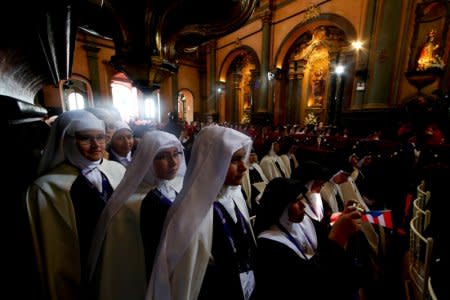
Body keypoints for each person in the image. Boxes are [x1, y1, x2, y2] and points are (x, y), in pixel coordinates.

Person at [146, 125, 256, 300]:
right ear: (213, 162)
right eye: (234, 160)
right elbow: (186, 278)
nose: (244, 167)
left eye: (243, 158)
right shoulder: (190, 211)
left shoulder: (235, 197)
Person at [26, 110, 126, 300]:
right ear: (67, 140)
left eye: (100, 137)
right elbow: (51, 250)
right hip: (80, 268)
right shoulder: (47, 187)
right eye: (86, 139)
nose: (96, 145)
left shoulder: (118, 170)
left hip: (118, 258)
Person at [87, 130, 186, 300]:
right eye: (162, 156)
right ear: (147, 161)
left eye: (176, 154)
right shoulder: (129, 205)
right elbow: (124, 258)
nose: (173, 162)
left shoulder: (178, 189)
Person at [253, 177, 362, 299]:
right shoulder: (268, 246)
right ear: (281, 206)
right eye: (295, 201)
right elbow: (306, 285)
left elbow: (325, 238)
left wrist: (343, 217)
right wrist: (338, 237)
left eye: (301, 198)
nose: (303, 205)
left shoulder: (304, 221)